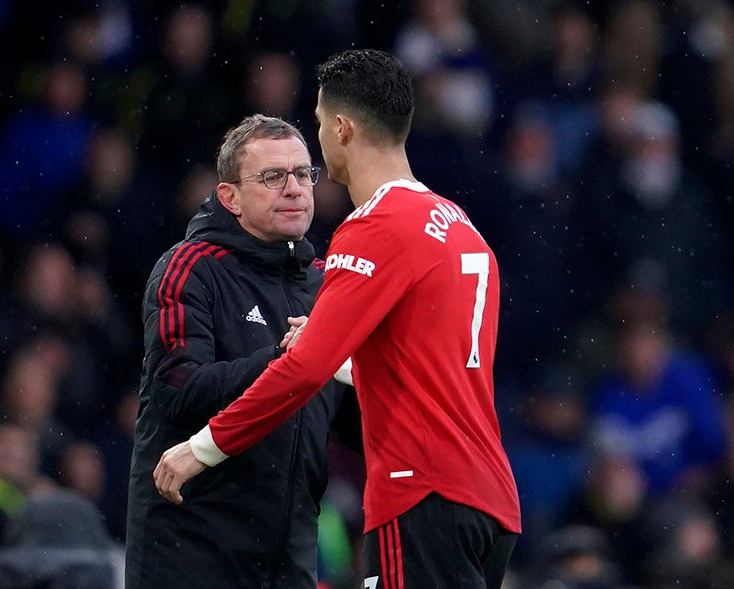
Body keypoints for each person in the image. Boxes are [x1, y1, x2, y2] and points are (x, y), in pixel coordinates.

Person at [155, 49, 521, 588]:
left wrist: (202, 448)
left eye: (321, 122)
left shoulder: (375, 226)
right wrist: (345, 356)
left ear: (343, 128)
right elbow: (429, 365)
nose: (321, 138)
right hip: (489, 498)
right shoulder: (460, 225)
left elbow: (304, 369)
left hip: (420, 491)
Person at [126, 114, 360, 589]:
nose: (294, 189)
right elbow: (178, 391)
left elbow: (354, 428)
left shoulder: (328, 284)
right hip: (192, 548)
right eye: (273, 177)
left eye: (303, 174)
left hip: (290, 553)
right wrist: (291, 360)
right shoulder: (189, 267)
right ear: (229, 197)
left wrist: (365, 373)